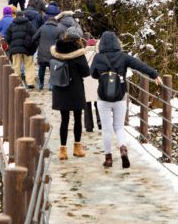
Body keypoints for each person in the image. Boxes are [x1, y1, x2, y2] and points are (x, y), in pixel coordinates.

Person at [90, 31, 161, 169]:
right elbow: (140, 65)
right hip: (120, 96)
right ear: (117, 42)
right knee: (119, 127)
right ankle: (123, 149)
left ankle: (108, 158)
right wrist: (154, 75)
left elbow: (92, 74)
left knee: (106, 129)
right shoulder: (123, 57)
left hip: (103, 97)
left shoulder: (98, 57)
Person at [50, 26, 90, 160]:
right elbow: (86, 72)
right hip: (75, 89)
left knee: (64, 120)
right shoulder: (78, 54)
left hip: (60, 88)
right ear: (78, 38)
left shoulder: (57, 50)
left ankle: (62, 150)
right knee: (78, 118)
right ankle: (77, 148)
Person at [32, 3, 62, 90]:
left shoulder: (42, 27)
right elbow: (61, 41)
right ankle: (51, 85)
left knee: (42, 68)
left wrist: (39, 42)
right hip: (53, 52)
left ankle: (41, 84)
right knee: (52, 69)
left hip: (42, 51)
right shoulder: (58, 29)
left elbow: (34, 38)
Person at [4, 9, 38, 88]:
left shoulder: (12, 25)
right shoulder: (29, 24)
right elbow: (35, 35)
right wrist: (33, 45)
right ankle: (30, 82)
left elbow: (7, 38)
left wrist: (12, 45)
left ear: (15, 16)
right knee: (29, 65)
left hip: (16, 49)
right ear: (23, 16)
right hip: (28, 48)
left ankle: (17, 82)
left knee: (16, 65)